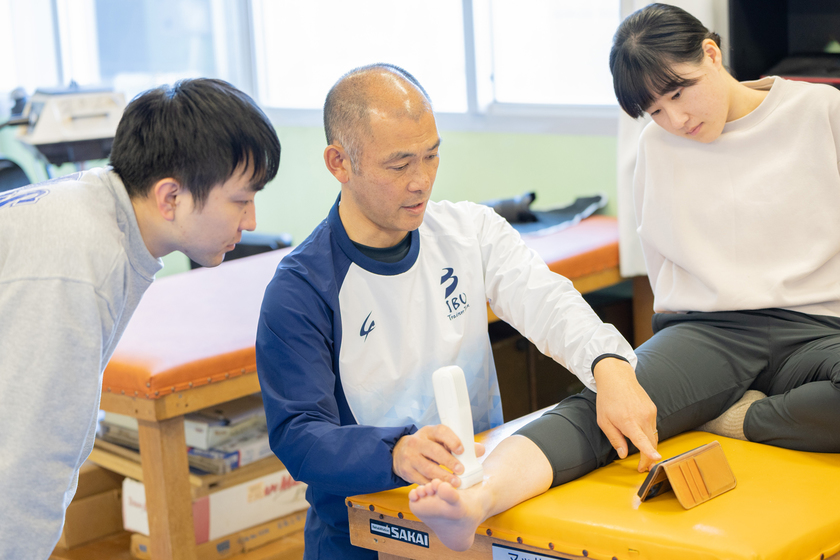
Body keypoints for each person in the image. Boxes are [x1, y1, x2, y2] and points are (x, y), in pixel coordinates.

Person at [408, 3, 840, 551]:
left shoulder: (821, 112)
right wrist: (656, 367)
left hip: (819, 326)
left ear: (711, 54)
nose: (675, 120)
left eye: (679, 92)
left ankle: (732, 417)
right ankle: (477, 497)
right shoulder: (657, 146)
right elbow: (664, 259)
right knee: (606, 407)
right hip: (710, 333)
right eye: (654, 110)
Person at [255, 63, 657, 559]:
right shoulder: (300, 289)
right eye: (399, 165)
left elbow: (548, 301)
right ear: (339, 163)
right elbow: (299, 435)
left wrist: (608, 364)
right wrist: (397, 452)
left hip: (476, 511)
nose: (421, 181)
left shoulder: (470, 232)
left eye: (432, 155)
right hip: (363, 531)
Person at [0, 78, 281, 560]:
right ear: (170, 197)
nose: (251, 220)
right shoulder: (80, 264)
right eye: (240, 200)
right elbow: (26, 468)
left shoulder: (94, 210)